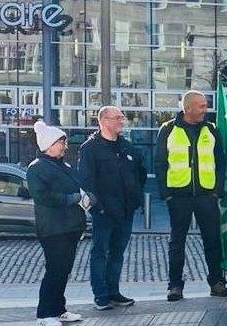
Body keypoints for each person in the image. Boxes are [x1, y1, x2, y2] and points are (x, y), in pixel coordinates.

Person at [154, 90, 227, 301]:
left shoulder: (211, 130)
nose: (205, 110)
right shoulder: (168, 129)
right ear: (187, 108)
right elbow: (160, 163)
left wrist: (217, 191)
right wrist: (166, 194)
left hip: (207, 195)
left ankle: (216, 282)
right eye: (201, 106)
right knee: (177, 242)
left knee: (213, 240)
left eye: (205, 105)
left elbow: (220, 161)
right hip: (179, 196)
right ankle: (175, 286)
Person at [78, 106, 147, 310]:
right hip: (104, 213)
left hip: (125, 211)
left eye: (122, 117)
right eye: (118, 118)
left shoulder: (127, 146)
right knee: (100, 252)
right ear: (104, 121)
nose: (122, 121)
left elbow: (140, 174)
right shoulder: (90, 148)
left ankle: (113, 291)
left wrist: (134, 198)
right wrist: (98, 208)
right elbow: (86, 181)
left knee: (118, 252)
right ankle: (100, 294)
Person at [27, 121, 91, 326]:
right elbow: (42, 196)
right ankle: (45, 314)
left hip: (71, 226)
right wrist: (72, 199)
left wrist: (86, 197)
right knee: (55, 270)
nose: (64, 146)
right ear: (49, 144)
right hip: (53, 229)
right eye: (61, 142)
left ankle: (59, 309)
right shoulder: (37, 168)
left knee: (63, 270)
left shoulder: (64, 164)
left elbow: (78, 187)